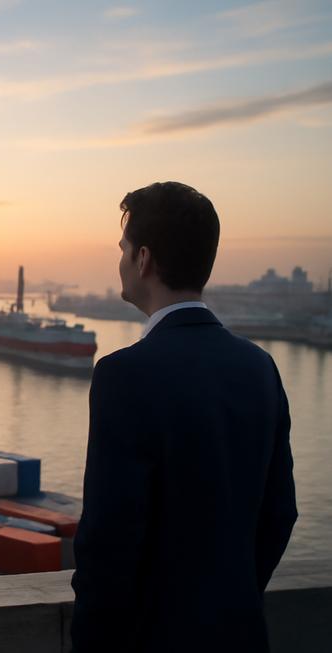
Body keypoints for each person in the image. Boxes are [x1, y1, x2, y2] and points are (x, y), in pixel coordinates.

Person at [71, 182, 297, 652]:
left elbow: (108, 542)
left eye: (123, 249)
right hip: (241, 634)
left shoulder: (123, 375)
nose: (120, 261)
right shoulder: (260, 367)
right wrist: (231, 598)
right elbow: (280, 514)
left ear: (144, 259)